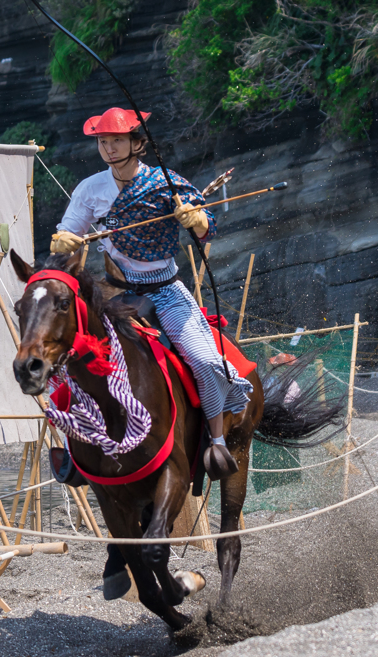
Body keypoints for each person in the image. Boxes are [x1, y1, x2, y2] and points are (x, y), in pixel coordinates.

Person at [49, 107, 253, 480]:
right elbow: (68, 240)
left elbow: (208, 229)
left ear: (137, 143)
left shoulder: (165, 182)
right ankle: (77, 450)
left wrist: (198, 220)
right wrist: (63, 242)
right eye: (102, 141)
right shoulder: (90, 189)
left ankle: (217, 441)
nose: (108, 148)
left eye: (116, 140)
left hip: (165, 292)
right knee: (67, 359)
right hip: (114, 294)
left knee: (206, 362)